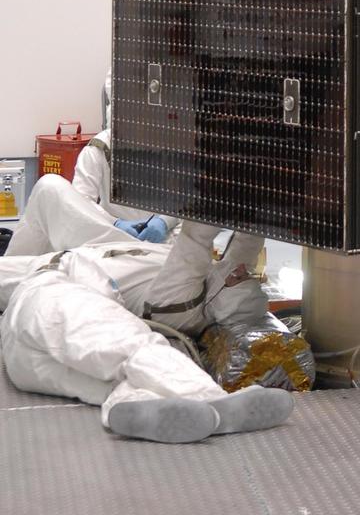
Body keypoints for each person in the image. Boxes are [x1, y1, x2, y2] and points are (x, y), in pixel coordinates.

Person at [0, 175, 294, 444]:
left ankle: (182, 399)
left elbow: (204, 247)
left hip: (53, 287)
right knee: (38, 357)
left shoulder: (180, 300)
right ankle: (144, 400)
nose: (238, 274)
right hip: (62, 270)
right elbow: (228, 249)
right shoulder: (159, 254)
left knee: (72, 339)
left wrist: (226, 192)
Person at [72, 126, 177, 243]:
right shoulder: (99, 147)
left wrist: (165, 221)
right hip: (113, 235)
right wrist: (115, 223)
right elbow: (80, 201)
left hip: (162, 235)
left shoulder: (172, 142)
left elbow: (189, 197)